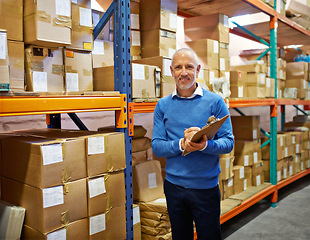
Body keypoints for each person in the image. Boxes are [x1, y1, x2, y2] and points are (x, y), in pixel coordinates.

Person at [151, 48, 234, 240]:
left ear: (197, 69)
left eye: (189, 67)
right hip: (174, 187)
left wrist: (205, 145)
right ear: (171, 71)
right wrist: (181, 144)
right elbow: (157, 146)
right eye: (178, 67)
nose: (184, 72)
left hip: (205, 188)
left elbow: (228, 142)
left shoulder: (215, 102)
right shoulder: (162, 105)